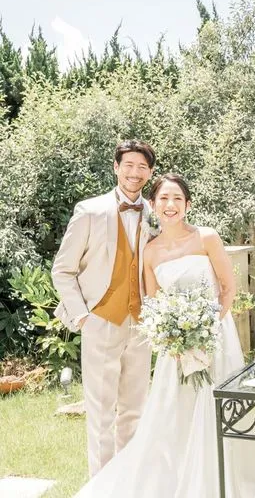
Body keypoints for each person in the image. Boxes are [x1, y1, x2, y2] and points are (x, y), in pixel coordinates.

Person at [75, 173, 255, 498]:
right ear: (153, 204)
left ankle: (224, 482)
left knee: (220, 409)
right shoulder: (150, 252)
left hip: (216, 339)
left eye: (178, 198)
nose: (170, 204)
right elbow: (153, 303)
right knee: (173, 416)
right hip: (174, 348)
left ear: (188, 204)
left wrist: (207, 330)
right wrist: (175, 342)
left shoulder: (207, 238)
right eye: (163, 198)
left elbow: (227, 289)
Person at [52, 140, 156, 476]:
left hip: (141, 325)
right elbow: (62, 270)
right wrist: (84, 317)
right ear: (116, 167)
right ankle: (101, 486)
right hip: (100, 321)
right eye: (128, 165)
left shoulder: (156, 213)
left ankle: (129, 482)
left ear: (150, 172)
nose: (135, 173)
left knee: (134, 410)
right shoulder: (90, 211)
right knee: (100, 413)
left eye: (142, 167)